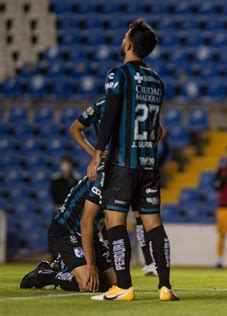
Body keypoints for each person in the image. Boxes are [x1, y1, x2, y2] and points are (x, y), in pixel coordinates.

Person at [87, 19, 178, 301]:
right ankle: (165, 286)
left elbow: (111, 114)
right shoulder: (156, 80)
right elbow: (158, 129)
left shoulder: (119, 75)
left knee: (115, 222)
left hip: (123, 162)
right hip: (149, 163)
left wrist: (98, 155)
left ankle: (123, 286)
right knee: (154, 224)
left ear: (128, 43)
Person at [70, 98, 158, 278]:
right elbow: (75, 128)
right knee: (111, 216)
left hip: (130, 165)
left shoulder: (131, 105)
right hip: (114, 166)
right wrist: (95, 154)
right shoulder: (99, 107)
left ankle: (148, 262)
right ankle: (118, 262)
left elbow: (158, 130)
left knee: (132, 214)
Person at [20, 166, 116, 292]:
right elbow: (86, 223)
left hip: (89, 236)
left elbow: (106, 219)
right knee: (87, 284)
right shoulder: (102, 180)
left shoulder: (116, 177)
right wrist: (91, 265)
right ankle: (44, 274)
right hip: (66, 230)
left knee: (117, 284)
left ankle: (66, 266)